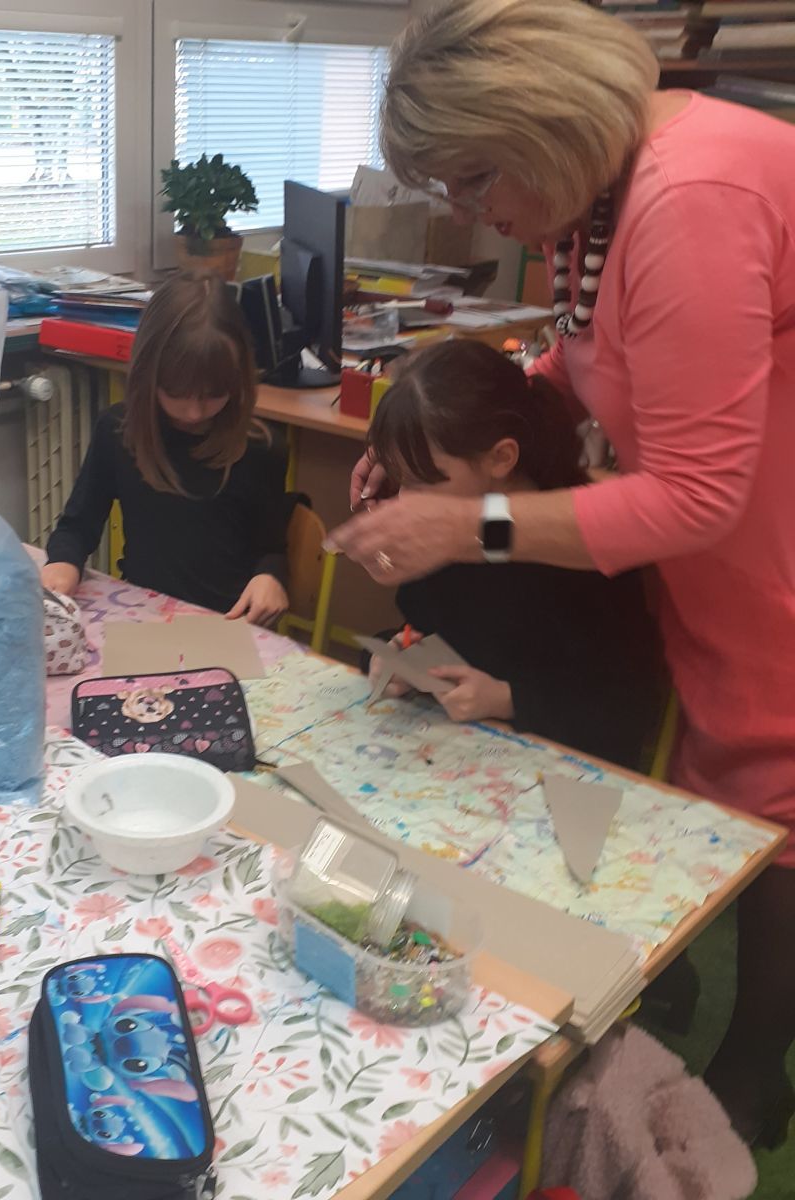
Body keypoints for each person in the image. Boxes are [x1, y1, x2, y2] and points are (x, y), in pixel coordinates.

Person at [327, 0, 795, 1145]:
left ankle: (755, 1068)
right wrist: (419, 452)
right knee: (735, 791)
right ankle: (715, 1023)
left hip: (766, 549)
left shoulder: (689, 198)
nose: (463, 210)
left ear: (534, 124)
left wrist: (466, 522)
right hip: (730, 551)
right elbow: (585, 356)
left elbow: (695, 494)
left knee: (776, 804)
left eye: (471, 178)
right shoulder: (596, 199)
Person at [360, 341, 664, 771]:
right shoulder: (442, 538)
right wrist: (392, 656)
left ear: (501, 458)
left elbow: (626, 710)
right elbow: (427, 632)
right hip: (452, 759)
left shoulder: (581, 548)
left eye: (423, 483)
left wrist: (507, 699)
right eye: (400, 481)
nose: (407, 502)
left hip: (559, 771)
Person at [42, 271, 290, 624]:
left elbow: (272, 547)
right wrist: (64, 562)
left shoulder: (262, 449)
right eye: (176, 393)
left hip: (228, 625)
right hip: (143, 616)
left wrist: (271, 576)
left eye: (213, 395)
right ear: (147, 375)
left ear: (238, 379)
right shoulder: (118, 431)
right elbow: (77, 526)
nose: (194, 412)